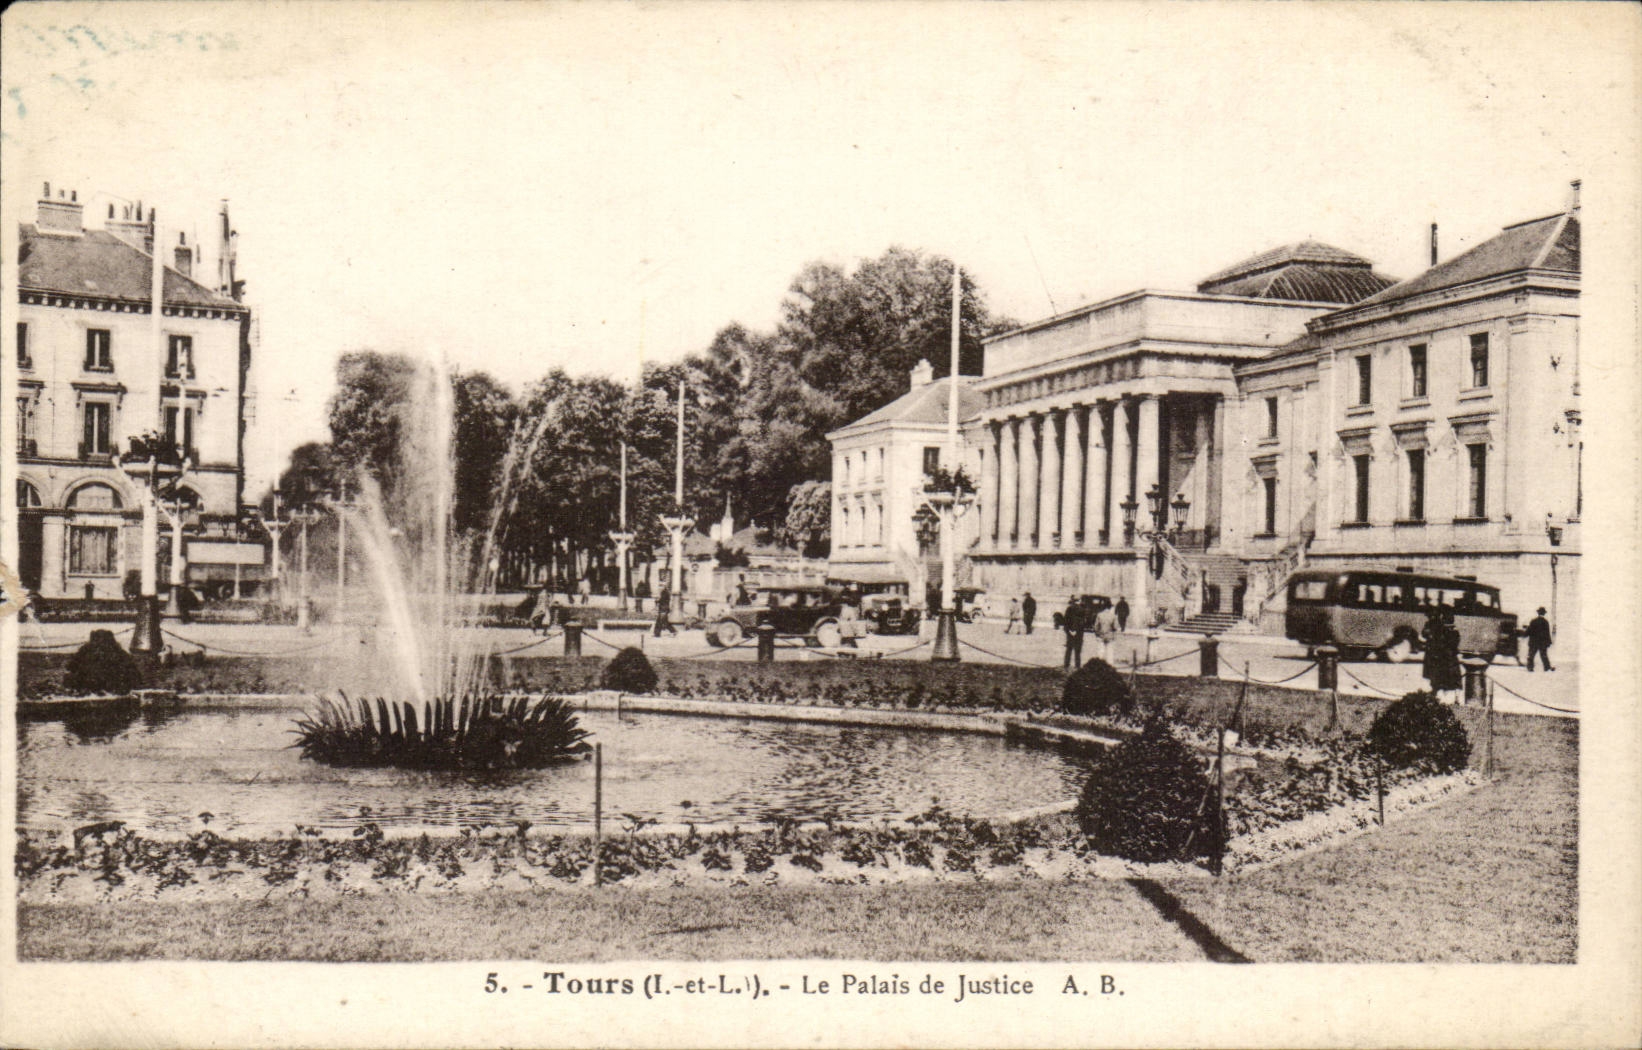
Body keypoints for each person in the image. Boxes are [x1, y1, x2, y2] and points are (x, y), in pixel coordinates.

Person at [1421, 607, 1462, 701]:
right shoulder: (1453, 630)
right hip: (1450, 657)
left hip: (1443, 657)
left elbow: (1439, 642)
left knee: (1439, 676)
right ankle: (1455, 697)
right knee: (1452, 678)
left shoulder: (1442, 629)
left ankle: (1440, 695)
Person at [1522, 607, 1555, 672]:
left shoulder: (1533, 621)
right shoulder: (1545, 622)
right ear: (1544, 614)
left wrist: (1524, 634)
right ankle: (1547, 667)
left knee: (1531, 655)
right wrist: (1548, 642)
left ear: (1538, 613)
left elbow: (1529, 630)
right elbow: (1547, 633)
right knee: (1544, 655)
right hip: (1542, 643)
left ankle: (1530, 667)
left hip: (1533, 642)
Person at [1061, 598, 1085, 669]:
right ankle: (1077, 665)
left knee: (1069, 649)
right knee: (1077, 650)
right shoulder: (1082, 609)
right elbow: (1083, 622)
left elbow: (1065, 620)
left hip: (1070, 632)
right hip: (1079, 633)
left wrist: (1069, 630)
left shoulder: (1069, 609)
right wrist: (1077, 630)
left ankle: (1066, 664)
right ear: (1078, 601)